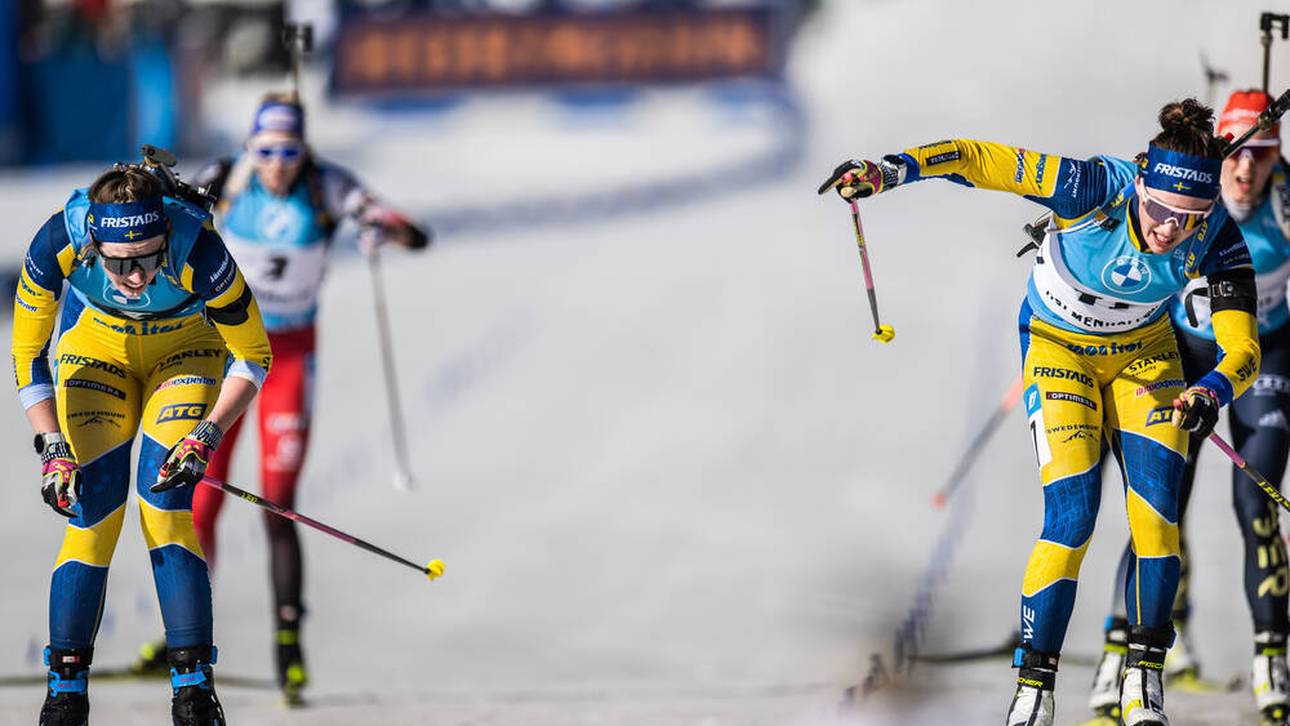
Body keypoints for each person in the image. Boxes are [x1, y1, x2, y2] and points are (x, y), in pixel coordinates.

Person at [819, 98, 1262, 726]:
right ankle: (1034, 691)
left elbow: (1244, 349)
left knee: (1157, 521)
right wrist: (889, 170)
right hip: (1059, 349)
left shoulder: (1217, 235)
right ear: (1141, 186)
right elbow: (975, 159)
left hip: (1145, 358)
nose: (1169, 230)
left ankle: (1143, 683)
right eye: (1160, 210)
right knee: (1072, 517)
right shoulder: (1090, 188)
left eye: (1187, 218)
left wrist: (1211, 391)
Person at [132, 92, 430, 705]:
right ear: (250, 147)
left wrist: (383, 229)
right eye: (266, 151)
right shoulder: (227, 177)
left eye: (289, 152)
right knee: (197, 497)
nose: (276, 165)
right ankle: (180, 637)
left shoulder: (328, 185)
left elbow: (413, 233)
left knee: (279, 502)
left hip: (289, 355)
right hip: (225, 354)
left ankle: (288, 648)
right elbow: (163, 217)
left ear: (304, 150)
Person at [12, 161, 272, 725]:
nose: (135, 278)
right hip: (96, 350)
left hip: (185, 351)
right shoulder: (58, 240)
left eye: (150, 259)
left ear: (166, 237)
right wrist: (51, 444)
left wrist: (207, 433)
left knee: (165, 506)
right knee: (91, 511)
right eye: (119, 263)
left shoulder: (199, 250)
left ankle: (194, 693)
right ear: (93, 244)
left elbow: (254, 355)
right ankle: (65, 695)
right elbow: (27, 353)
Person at [1082, 90, 1290, 726]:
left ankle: (1271, 661)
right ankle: (1120, 654)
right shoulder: (1187, 196)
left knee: (1255, 502)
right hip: (1183, 353)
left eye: (1264, 156)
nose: (1247, 171)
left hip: (1264, 353)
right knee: (1159, 502)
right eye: (1239, 157)